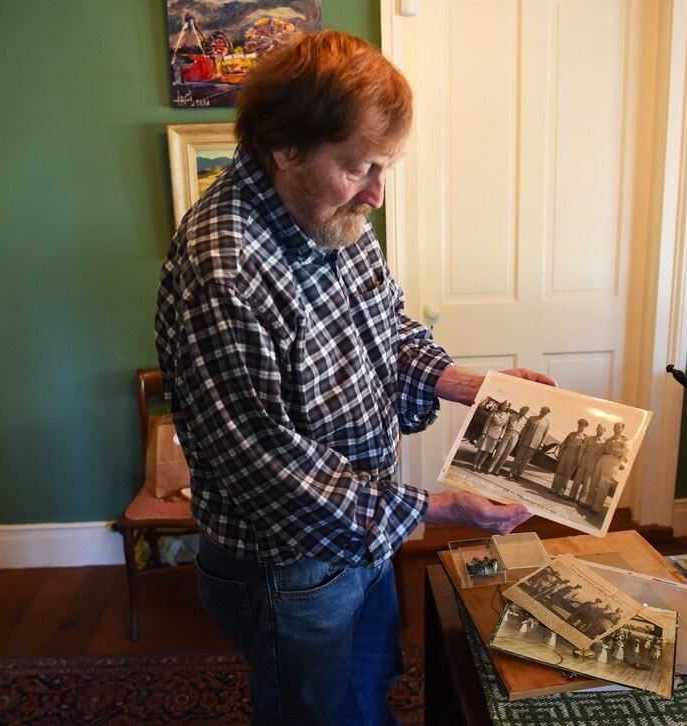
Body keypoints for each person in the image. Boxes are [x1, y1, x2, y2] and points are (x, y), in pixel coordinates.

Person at [154, 30, 553, 724]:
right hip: (288, 569)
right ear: (285, 150)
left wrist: (467, 384)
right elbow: (266, 467)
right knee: (315, 714)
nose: (376, 194)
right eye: (358, 167)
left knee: (368, 695)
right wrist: (441, 509)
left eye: (385, 167)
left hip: (361, 532)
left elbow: (385, 326)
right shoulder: (224, 269)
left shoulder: (329, 210)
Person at [508, 406, 551, 480]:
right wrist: (521, 439)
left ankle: (518, 475)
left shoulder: (547, 423)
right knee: (518, 458)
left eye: (545, 412)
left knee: (525, 461)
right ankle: (511, 472)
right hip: (525, 441)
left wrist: (541, 445)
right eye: (542, 411)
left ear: (546, 413)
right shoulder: (532, 418)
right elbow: (525, 429)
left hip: (535, 444)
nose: (543, 413)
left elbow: (545, 435)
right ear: (540, 410)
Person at [550, 418, 588, 497]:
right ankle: (554, 488)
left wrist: (579, 460)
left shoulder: (585, 438)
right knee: (559, 471)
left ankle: (561, 490)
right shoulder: (571, 434)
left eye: (583, 426)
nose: (580, 426)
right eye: (580, 425)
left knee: (567, 474)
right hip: (566, 454)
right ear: (578, 425)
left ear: (585, 427)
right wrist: (560, 454)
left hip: (574, 456)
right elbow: (563, 444)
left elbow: (583, 450)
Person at [488, 404, 529, 475]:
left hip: (516, 436)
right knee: (499, 452)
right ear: (520, 410)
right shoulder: (511, 416)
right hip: (508, 433)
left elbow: (523, 430)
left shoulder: (525, 420)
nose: (524, 412)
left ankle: (496, 470)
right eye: (523, 411)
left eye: (526, 412)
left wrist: (520, 439)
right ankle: (489, 469)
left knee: (506, 454)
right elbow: (505, 425)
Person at [473, 401, 511, 471]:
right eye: (504, 405)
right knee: (481, 449)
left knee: (487, 451)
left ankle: (479, 466)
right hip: (488, 432)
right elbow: (487, 423)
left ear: (508, 407)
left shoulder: (507, 416)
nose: (505, 407)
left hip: (496, 435)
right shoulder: (494, 412)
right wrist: (484, 433)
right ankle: (474, 465)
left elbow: (504, 428)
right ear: (501, 405)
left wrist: (500, 437)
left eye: (506, 406)